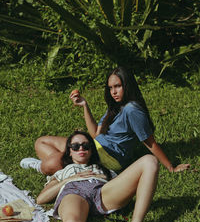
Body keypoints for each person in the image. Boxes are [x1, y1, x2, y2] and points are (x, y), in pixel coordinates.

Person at [20, 66, 190, 175]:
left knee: (51, 162)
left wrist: (171, 167)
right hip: (95, 146)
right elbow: (95, 134)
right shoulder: (115, 107)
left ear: (127, 85)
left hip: (110, 158)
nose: (113, 92)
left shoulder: (132, 109)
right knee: (40, 142)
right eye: (110, 88)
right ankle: (69, 168)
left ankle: (52, 167)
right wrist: (85, 105)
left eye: (117, 86)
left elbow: (149, 142)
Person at [36, 130, 159, 222]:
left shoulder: (105, 169)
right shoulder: (63, 171)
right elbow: (41, 199)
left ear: (91, 149)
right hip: (74, 191)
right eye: (75, 146)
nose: (80, 149)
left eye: (85, 145)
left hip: (103, 191)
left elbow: (124, 187)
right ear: (69, 152)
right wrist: (69, 179)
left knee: (150, 160)